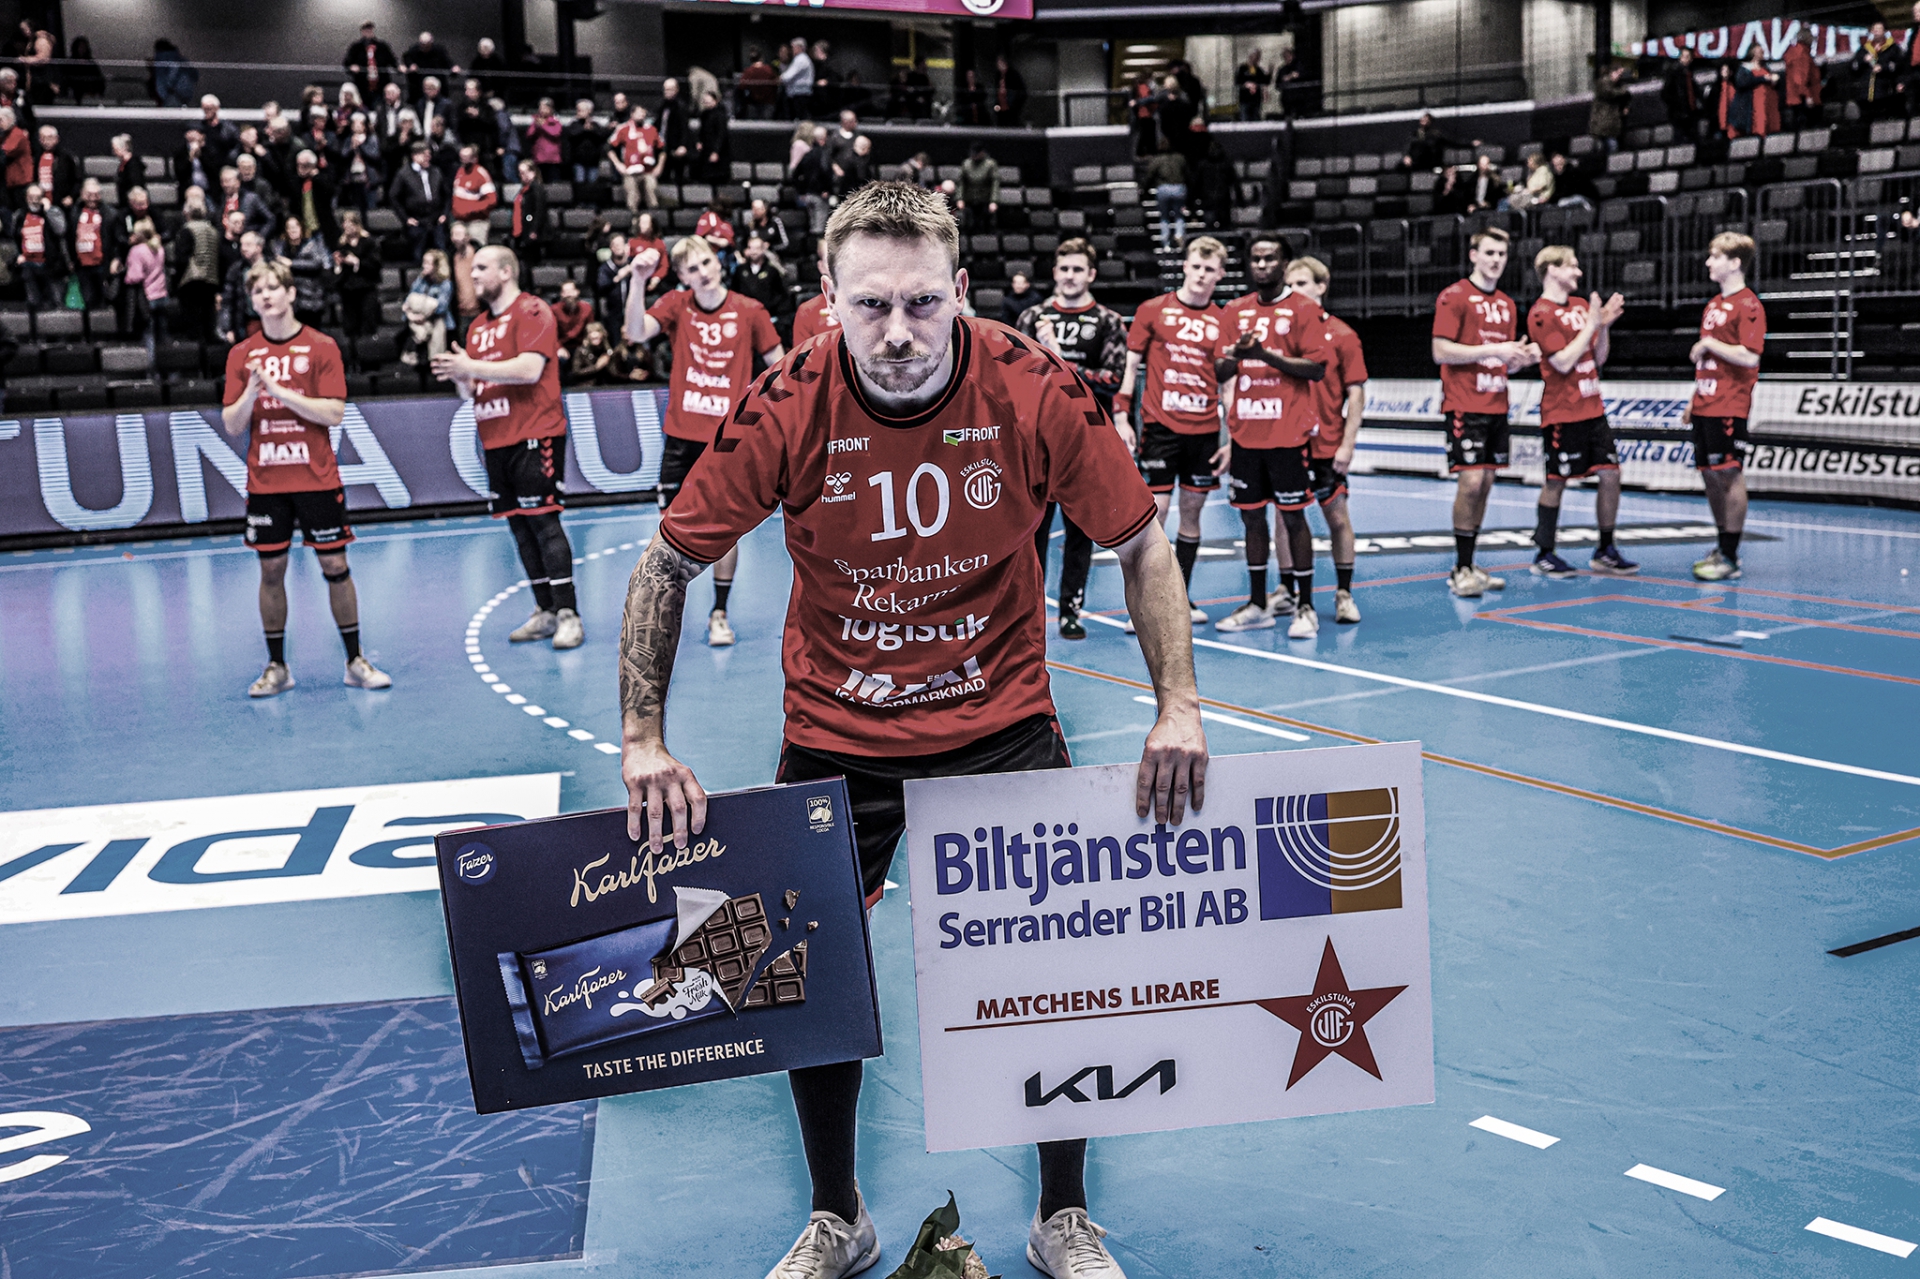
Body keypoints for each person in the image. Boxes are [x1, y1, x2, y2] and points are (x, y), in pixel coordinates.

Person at [617, 180, 1202, 1279]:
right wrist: (643, 737)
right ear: (828, 297)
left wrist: (1179, 705)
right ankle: (838, 1216)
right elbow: (668, 560)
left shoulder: (1034, 386)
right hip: (839, 734)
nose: (897, 331)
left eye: (924, 303)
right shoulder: (786, 402)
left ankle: (1063, 1216)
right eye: (871, 304)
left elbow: (1139, 543)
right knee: (806, 973)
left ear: (961, 291)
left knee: (1057, 967)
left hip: (1002, 724)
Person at [218, 257, 389, 696]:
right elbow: (233, 424)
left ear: (291, 293)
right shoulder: (241, 354)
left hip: (316, 479)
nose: (266, 296)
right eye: (258, 291)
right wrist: (252, 393)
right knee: (271, 569)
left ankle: (354, 661)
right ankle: (277, 667)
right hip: (266, 483)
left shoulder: (320, 346)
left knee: (335, 565)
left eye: (273, 288)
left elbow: (333, 413)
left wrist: (279, 392)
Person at [623, 234, 785, 647]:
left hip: (727, 440)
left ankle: (719, 613)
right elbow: (635, 332)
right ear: (682, 277)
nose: (703, 272)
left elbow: (781, 370)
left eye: (707, 262)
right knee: (668, 531)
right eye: (692, 269)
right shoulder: (677, 305)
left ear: (719, 263)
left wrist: (766, 416)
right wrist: (638, 280)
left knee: (724, 531)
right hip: (681, 438)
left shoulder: (750, 310)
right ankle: (663, 612)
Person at [432, 245, 584, 649]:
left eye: (481, 267)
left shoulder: (532, 311)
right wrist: (461, 376)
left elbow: (530, 369)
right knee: (519, 527)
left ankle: (568, 614)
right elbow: (473, 391)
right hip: (495, 438)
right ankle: (545, 610)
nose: (473, 274)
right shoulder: (477, 327)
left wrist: (470, 367)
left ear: (505, 271)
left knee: (544, 522)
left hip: (535, 433)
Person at [1212, 234, 1331, 637]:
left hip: (1287, 434)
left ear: (1285, 264)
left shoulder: (1303, 309)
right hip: (1247, 433)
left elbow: (1316, 368)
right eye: (1256, 259)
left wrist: (1264, 355)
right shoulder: (1234, 311)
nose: (1262, 265)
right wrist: (1238, 354)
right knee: (1251, 519)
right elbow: (1220, 371)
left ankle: (1305, 606)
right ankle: (1257, 604)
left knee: (1294, 517)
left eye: (1270, 259)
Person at [1015, 237, 1129, 640]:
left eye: (1078, 269)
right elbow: (1014, 375)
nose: (1070, 276)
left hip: (1085, 439)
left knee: (1080, 531)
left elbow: (1113, 378)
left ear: (1091, 274)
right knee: (1032, 531)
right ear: (1054, 273)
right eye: (1064, 269)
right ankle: (1029, 611)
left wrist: (1060, 360)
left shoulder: (1109, 321)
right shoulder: (1032, 317)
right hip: (1037, 439)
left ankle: (1071, 611)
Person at [1115, 235, 1232, 623]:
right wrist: (1121, 414)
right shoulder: (1153, 310)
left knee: (1193, 514)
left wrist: (1230, 438)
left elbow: (1229, 385)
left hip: (1204, 431)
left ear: (1220, 274)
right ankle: (1146, 602)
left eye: (1209, 269)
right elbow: (1131, 367)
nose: (1200, 275)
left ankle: (1181, 598)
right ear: (1184, 266)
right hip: (1160, 428)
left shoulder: (1224, 321)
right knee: (1156, 514)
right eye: (1195, 266)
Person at [1430, 225, 1540, 598]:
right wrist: (1494, 350)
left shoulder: (1506, 304)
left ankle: (1471, 561)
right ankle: (1460, 568)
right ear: (1474, 255)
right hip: (1465, 404)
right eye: (1489, 253)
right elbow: (1441, 351)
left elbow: (1503, 362)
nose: (1496, 260)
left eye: (1501, 254)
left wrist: (1521, 358)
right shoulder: (1455, 296)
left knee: (1487, 485)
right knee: (1471, 483)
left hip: (1497, 404)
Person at [1524, 245, 1636, 580]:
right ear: (1552, 270)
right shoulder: (1541, 313)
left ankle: (1605, 549)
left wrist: (1603, 328)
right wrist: (1591, 325)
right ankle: (1544, 553)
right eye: (1572, 266)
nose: (1578, 272)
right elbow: (1561, 362)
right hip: (1562, 412)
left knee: (1611, 474)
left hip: (1593, 407)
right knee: (1556, 480)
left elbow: (1598, 358)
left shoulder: (1580, 306)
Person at [1286, 255, 1368, 625]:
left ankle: (1344, 593)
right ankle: (1287, 591)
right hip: (1287, 441)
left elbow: (1356, 393)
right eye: (1290, 285)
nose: (1294, 291)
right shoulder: (1281, 333)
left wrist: (1347, 444)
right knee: (1286, 517)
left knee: (1337, 516)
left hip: (1327, 443)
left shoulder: (1342, 334)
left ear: (1322, 286)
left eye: (1302, 284)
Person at [1684, 233, 1764, 583]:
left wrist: (1710, 344)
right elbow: (1709, 361)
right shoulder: (1714, 304)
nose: (1708, 262)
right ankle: (1721, 544)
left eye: (1715, 256)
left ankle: (1730, 556)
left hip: (1729, 404)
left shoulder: (1748, 305)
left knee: (1729, 473)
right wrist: (1694, 399)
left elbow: (1750, 356)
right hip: (1705, 403)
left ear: (1734, 263)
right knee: (1709, 474)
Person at [171, 187, 223, 341]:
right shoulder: (213, 230)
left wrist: (176, 281)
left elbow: (182, 258)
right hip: (211, 279)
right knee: (208, 320)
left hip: (191, 280)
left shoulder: (186, 230)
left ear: (186, 213)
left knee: (193, 322)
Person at [274, 214, 333, 329]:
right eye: (289, 227)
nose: (293, 230)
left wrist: (292, 263)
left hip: (311, 296)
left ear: (301, 228)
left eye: (295, 227)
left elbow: (317, 263)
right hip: (292, 299)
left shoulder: (311, 245)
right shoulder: (282, 247)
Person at [389, 140, 446, 260]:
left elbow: (446, 194)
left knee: (441, 253)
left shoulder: (436, 171)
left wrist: (444, 213)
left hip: (436, 219)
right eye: (425, 155)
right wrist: (405, 218)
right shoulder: (403, 174)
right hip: (417, 221)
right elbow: (394, 197)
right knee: (418, 254)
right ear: (415, 156)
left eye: (429, 155)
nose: (428, 158)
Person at [13, 182, 67, 309]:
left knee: (55, 303)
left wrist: (48, 211)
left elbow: (61, 230)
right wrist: (19, 255)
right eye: (31, 197)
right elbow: (15, 237)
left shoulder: (53, 212)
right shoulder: (20, 215)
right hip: (29, 263)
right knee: (33, 303)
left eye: (37, 197)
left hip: (50, 263)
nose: (34, 200)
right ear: (26, 198)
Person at [730, 229, 791, 330]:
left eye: (757, 248)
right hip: (744, 317)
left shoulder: (772, 271)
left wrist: (774, 312)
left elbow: (781, 294)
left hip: (768, 317)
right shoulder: (740, 270)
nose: (753, 252)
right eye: (750, 248)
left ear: (763, 250)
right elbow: (733, 292)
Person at [124, 217, 170, 350]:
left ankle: (150, 363)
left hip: (146, 298)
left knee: (148, 336)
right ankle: (167, 362)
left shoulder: (136, 251)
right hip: (161, 295)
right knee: (162, 335)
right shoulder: (159, 248)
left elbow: (134, 277)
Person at [69, 177, 112, 309]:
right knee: (88, 301)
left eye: (96, 195)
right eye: (89, 195)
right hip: (82, 264)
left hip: (101, 264)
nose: (93, 198)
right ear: (82, 194)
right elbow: (69, 237)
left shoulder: (109, 213)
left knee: (103, 301)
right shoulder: (74, 213)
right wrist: (70, 260)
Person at [790, 239, 840, 349]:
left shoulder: (872, 303)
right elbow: (802, 357)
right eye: (831, 259)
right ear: (821, 266)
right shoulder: (808, 311)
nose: (838, 264)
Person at [610, 105, 661, 212]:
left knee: (652, 196)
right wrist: (618, 164)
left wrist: (659, 166)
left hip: (648, 170)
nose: (641, 115)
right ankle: (634, 218)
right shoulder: (623, 129)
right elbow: (609, 147)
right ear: (632, 114)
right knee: (632, 199)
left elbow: (662, 149)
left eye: (643, 113)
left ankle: (652, 218)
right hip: (630, 170)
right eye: (638, 113)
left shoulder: (651, 129)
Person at [1142, 137, 1188, 248]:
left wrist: (1144, 189)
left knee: (1164, 217)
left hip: (1163, 189)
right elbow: (1187, 174)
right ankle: (1179, 234)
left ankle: (1165, 242)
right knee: (1179, 215)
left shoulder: (1157, 160)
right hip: (1179, 188)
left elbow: (1150, 175)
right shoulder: (1180, 158)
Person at [1854, 22, 1904, 121]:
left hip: (1884, 93)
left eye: (1879, 29)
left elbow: (1899, 66)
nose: (1876, 31)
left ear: (1884, 31)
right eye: (1874, 29)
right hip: (1865, 94)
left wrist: (1883, 68)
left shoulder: (1892, 48)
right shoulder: (1864, 49)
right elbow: (1853, 67)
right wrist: (1863, 60)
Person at [450, 144, 496, 245]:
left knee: (476, 246)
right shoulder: (460, 172)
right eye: (462, 158)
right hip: (460, 220)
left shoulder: (481, 174)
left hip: (477, 221)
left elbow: (492, 200)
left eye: (466, 158)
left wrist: (472, 210)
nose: (463, 161)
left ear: (474, 158)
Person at [509, 156, 546, 277]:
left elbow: (539, 211)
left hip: (530, 232)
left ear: (532, 172)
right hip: (522, 230)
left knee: (530, 265)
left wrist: (534, 230)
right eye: (520, 173)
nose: (522, 176)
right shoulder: (524, 189)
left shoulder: (536, 188)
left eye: (524, 172)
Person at [344, 21, 397, 101]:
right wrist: (352, 67)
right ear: (362, 31)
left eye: (370, 29)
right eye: (366, 30)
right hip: (362, 85)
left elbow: (392, 60)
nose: (368, 32)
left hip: (380, 85)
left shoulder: (382, 46)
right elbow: (346, 63)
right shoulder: (356, 47)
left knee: (380, 103)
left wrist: (398, 67)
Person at [1782, 31, 1822, 131]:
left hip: (1796, 96)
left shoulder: (1796, 52)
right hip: (1802, 98)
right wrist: (1808, 96)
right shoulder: (1801, 54)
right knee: (1807, 128)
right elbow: (1799, 78)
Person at [956, 141, 999, 231]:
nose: (974, 156)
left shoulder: (990, 164)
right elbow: (961, 183)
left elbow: (995, 184)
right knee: (969, 225)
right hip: (970, 199)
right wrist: (960, 198)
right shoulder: (966, 164)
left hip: (985, 199)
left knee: (986, 225)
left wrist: (993, 201)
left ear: (982, 153)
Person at [401, 30, 451, 105]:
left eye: (427, 45)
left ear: (431, 43)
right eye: (422, 45)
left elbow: (447, 62)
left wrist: (453, 67)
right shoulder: (414, 49)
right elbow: (406, 58)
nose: (424, 47)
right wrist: (411, 65)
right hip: (418, 85)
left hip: (437, 82)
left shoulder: (439, 50)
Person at [34, 124, 77, 208]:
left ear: (56, 139)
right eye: (43, 138)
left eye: (49, 138)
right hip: (40, 201)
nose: (46, 141)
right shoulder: (36, 157)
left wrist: (72, 196)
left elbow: (77, 179)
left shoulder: (66, 157)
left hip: (62, 202)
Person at [1589, 64, 1631, 150]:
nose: (1619, 76)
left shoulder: (1617, 84)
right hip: (1604, 122)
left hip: (1612, 123)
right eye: (1618, 73)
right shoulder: (1604, 82)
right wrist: (1623, 91)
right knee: (1611, 145)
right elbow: (1610, 93)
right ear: (1612, 72)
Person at [656, 79, 691, 182]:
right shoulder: (662, 106)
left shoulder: (681, 106)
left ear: (676, 90)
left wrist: (683, 145)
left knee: (678, 177)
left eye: (670, 89)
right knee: (663, 176)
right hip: (663, 145)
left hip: (676, 146)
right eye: (666, 89)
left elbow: (684, 127)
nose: (667, 92)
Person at [1663, 49, 1703, 136]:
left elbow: (1694, 91)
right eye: (1683, 57)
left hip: (1690, 111)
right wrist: (1676, 107)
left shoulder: (1688, 73)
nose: (1685, 59)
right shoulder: (1674, 74)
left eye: (1687, 57)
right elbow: (1666, 94)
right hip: (1679, 113)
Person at [552, 278, 593, 363]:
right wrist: (559, 348)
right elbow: (551, 333)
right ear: (561, 294)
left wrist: (587, 342)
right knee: (560, 359)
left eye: (571, 291)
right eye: (565, 292)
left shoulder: (587, 308)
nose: (568, 294)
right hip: (563, 345)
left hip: (580, 345)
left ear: (577, 292)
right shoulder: (554, 310)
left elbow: (591, 329)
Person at [525, 98, 563, 182]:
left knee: (553, 183)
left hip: (552, 159)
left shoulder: (555, 121)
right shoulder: (536, 121)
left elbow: (555, 133)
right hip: (539, 158)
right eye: (540, 108)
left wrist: (543, 126)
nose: (541, 110)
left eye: (544, 108)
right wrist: (536, 125)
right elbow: (529, 135)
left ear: (550, 109)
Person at [62, 36, 105, 104]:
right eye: (80, 46)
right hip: (73, 95)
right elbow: (65, 80)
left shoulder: (91, 63)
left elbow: (98, 79)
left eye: (84, 47)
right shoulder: (70, 63)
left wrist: (94, 91)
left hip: (89, 96)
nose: (82, 49)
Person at [780, 36, 814, 118]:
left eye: (793, 47)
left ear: (799, 47)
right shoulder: (800, 59)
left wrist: (780, 78)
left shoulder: (801, 59)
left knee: (799, 117)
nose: (792, 50)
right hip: (798, 93)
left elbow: (788, 76)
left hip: (800, 94)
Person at [991, 53, 1027, 129]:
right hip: (1000, 108)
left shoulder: (1013, 75)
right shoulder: (998, 76)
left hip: (1012, 108)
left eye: (999, 63)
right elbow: (996, 92)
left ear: (1004, 63)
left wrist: (1015, 106)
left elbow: (1022, 92)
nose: (998, 65)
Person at [1236, 49, 1271, 122]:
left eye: (1258, 57)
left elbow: (1265, 82)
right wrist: (1247, 84)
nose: (1257, 59)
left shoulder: (1258, 70)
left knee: (1256, 119)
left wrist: (1269, 73)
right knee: (1245, 119)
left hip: (1256, 100)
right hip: (1245, 99)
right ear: (1250, 56)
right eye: (1256, 56)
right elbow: (1238, 81)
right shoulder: (1243, 68)